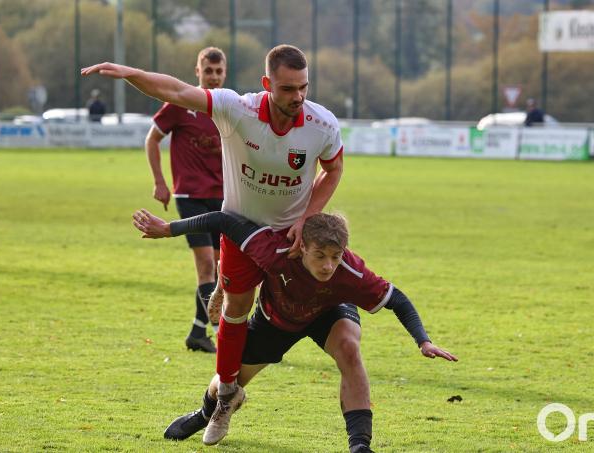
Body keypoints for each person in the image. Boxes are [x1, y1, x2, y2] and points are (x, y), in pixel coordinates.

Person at [82, 44, 344, 432]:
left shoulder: (321, 124)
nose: (299, 97)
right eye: (288, 89)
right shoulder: (237, 109)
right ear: (267, 83)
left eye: (303, 87)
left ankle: (226, 397)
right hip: (240, 231)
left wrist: (307, 217)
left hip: (291, 242)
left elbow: (334, 168)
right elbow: (175, 91)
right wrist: (128, 72)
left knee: (297, 325)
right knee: (235, 312)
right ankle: (223, 401)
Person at [132, 209, 457, 451]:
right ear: (302, 248)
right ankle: (205, 413)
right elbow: (223, 220)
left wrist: (423, 341)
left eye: (335, 256)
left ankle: (360, 445)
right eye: (320, 256)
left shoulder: (349, 272)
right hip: (277, 319)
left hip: (329, 310)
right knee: (228, 383)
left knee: (349, 347)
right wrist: (169, 229)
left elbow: (396, 298)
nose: (328, 265)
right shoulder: (274, 251)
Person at [144, 47, 228, 353]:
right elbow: (152, 139)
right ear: (198, 72)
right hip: (190, 195)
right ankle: (221, 331)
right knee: (206, 266)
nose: (214, 77)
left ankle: (197, 332)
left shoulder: (227, 107)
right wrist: (159, 181)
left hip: (223, 198)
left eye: (219, 72)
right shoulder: (181, 104)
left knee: (221, 270)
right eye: (209, 71)